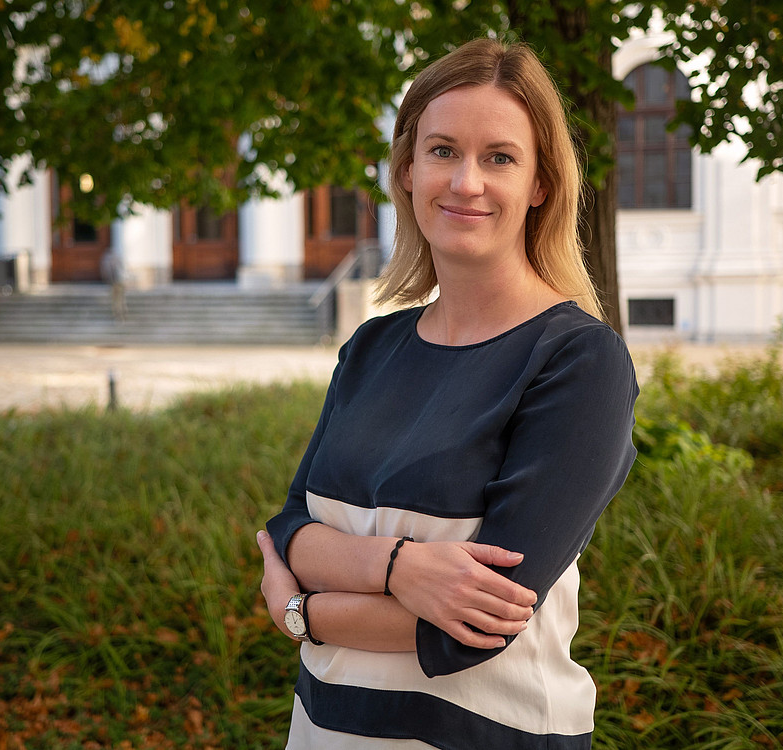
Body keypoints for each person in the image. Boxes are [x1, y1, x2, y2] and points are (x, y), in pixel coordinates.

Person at [256, 37, 639, 749]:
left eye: (499, 157)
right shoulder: (373, 346)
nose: (465, 182)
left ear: (541, 184)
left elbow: (473, 629)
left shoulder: (579, 361)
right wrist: (400, 568)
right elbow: (287, 529)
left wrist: (299, 611)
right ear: (406, 170)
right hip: (325, 730)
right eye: (441, 151)